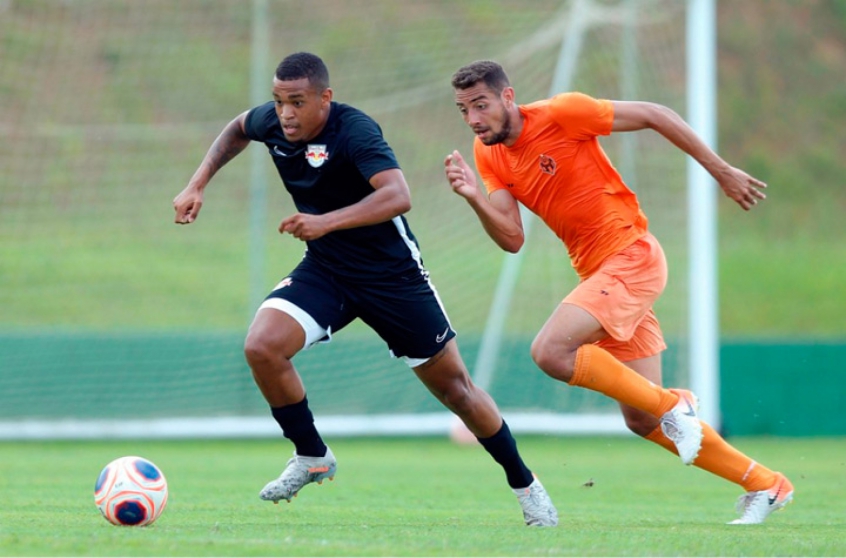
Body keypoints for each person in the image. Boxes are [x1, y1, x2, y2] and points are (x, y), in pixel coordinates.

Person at [173, 52, 558, 527]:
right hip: (328, 270)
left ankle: (526, 484)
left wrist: (324, 221)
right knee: (262, 346)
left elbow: (399, 195)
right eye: (278, 102)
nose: (286, 113)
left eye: (297, 101)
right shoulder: (272, 123)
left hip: (393, 277)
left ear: (325, 99)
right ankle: (312, 455)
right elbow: (237, 128)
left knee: (457, 391)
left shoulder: (355, 131)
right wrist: (197, 184)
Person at [443, 60, 793, 525]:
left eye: (480, 105)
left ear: (508, 98)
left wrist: (721, 170)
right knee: (641, 419)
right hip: (599, 277)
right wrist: (472, 197)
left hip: (632, 256)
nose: (473, 119)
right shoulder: (487, 153)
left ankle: (677, 405)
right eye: (464, 109)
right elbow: (512, 238)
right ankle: (766, 484)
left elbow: (655, 113)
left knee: (550, 352)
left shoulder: (563, 113)